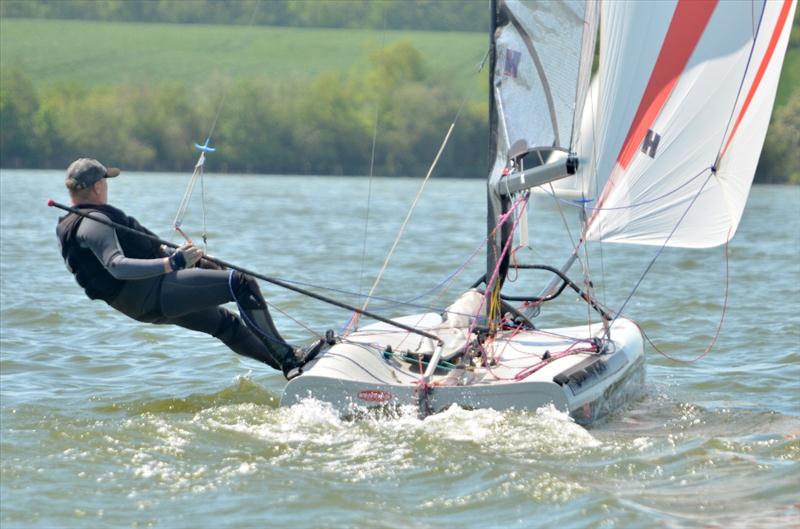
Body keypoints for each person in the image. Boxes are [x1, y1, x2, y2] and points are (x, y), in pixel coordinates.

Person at [55, 158, 321, 378]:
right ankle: (288, 357)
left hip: (145, 303)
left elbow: (137, 253)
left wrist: (182, 257)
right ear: (98, 186)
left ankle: (293, 371)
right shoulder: (94, 222)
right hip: (153, 293)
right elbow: (117, 266)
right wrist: (173, 263)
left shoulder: (76, 221)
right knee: (240, 283)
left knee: (225, 324)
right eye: (105, 181)